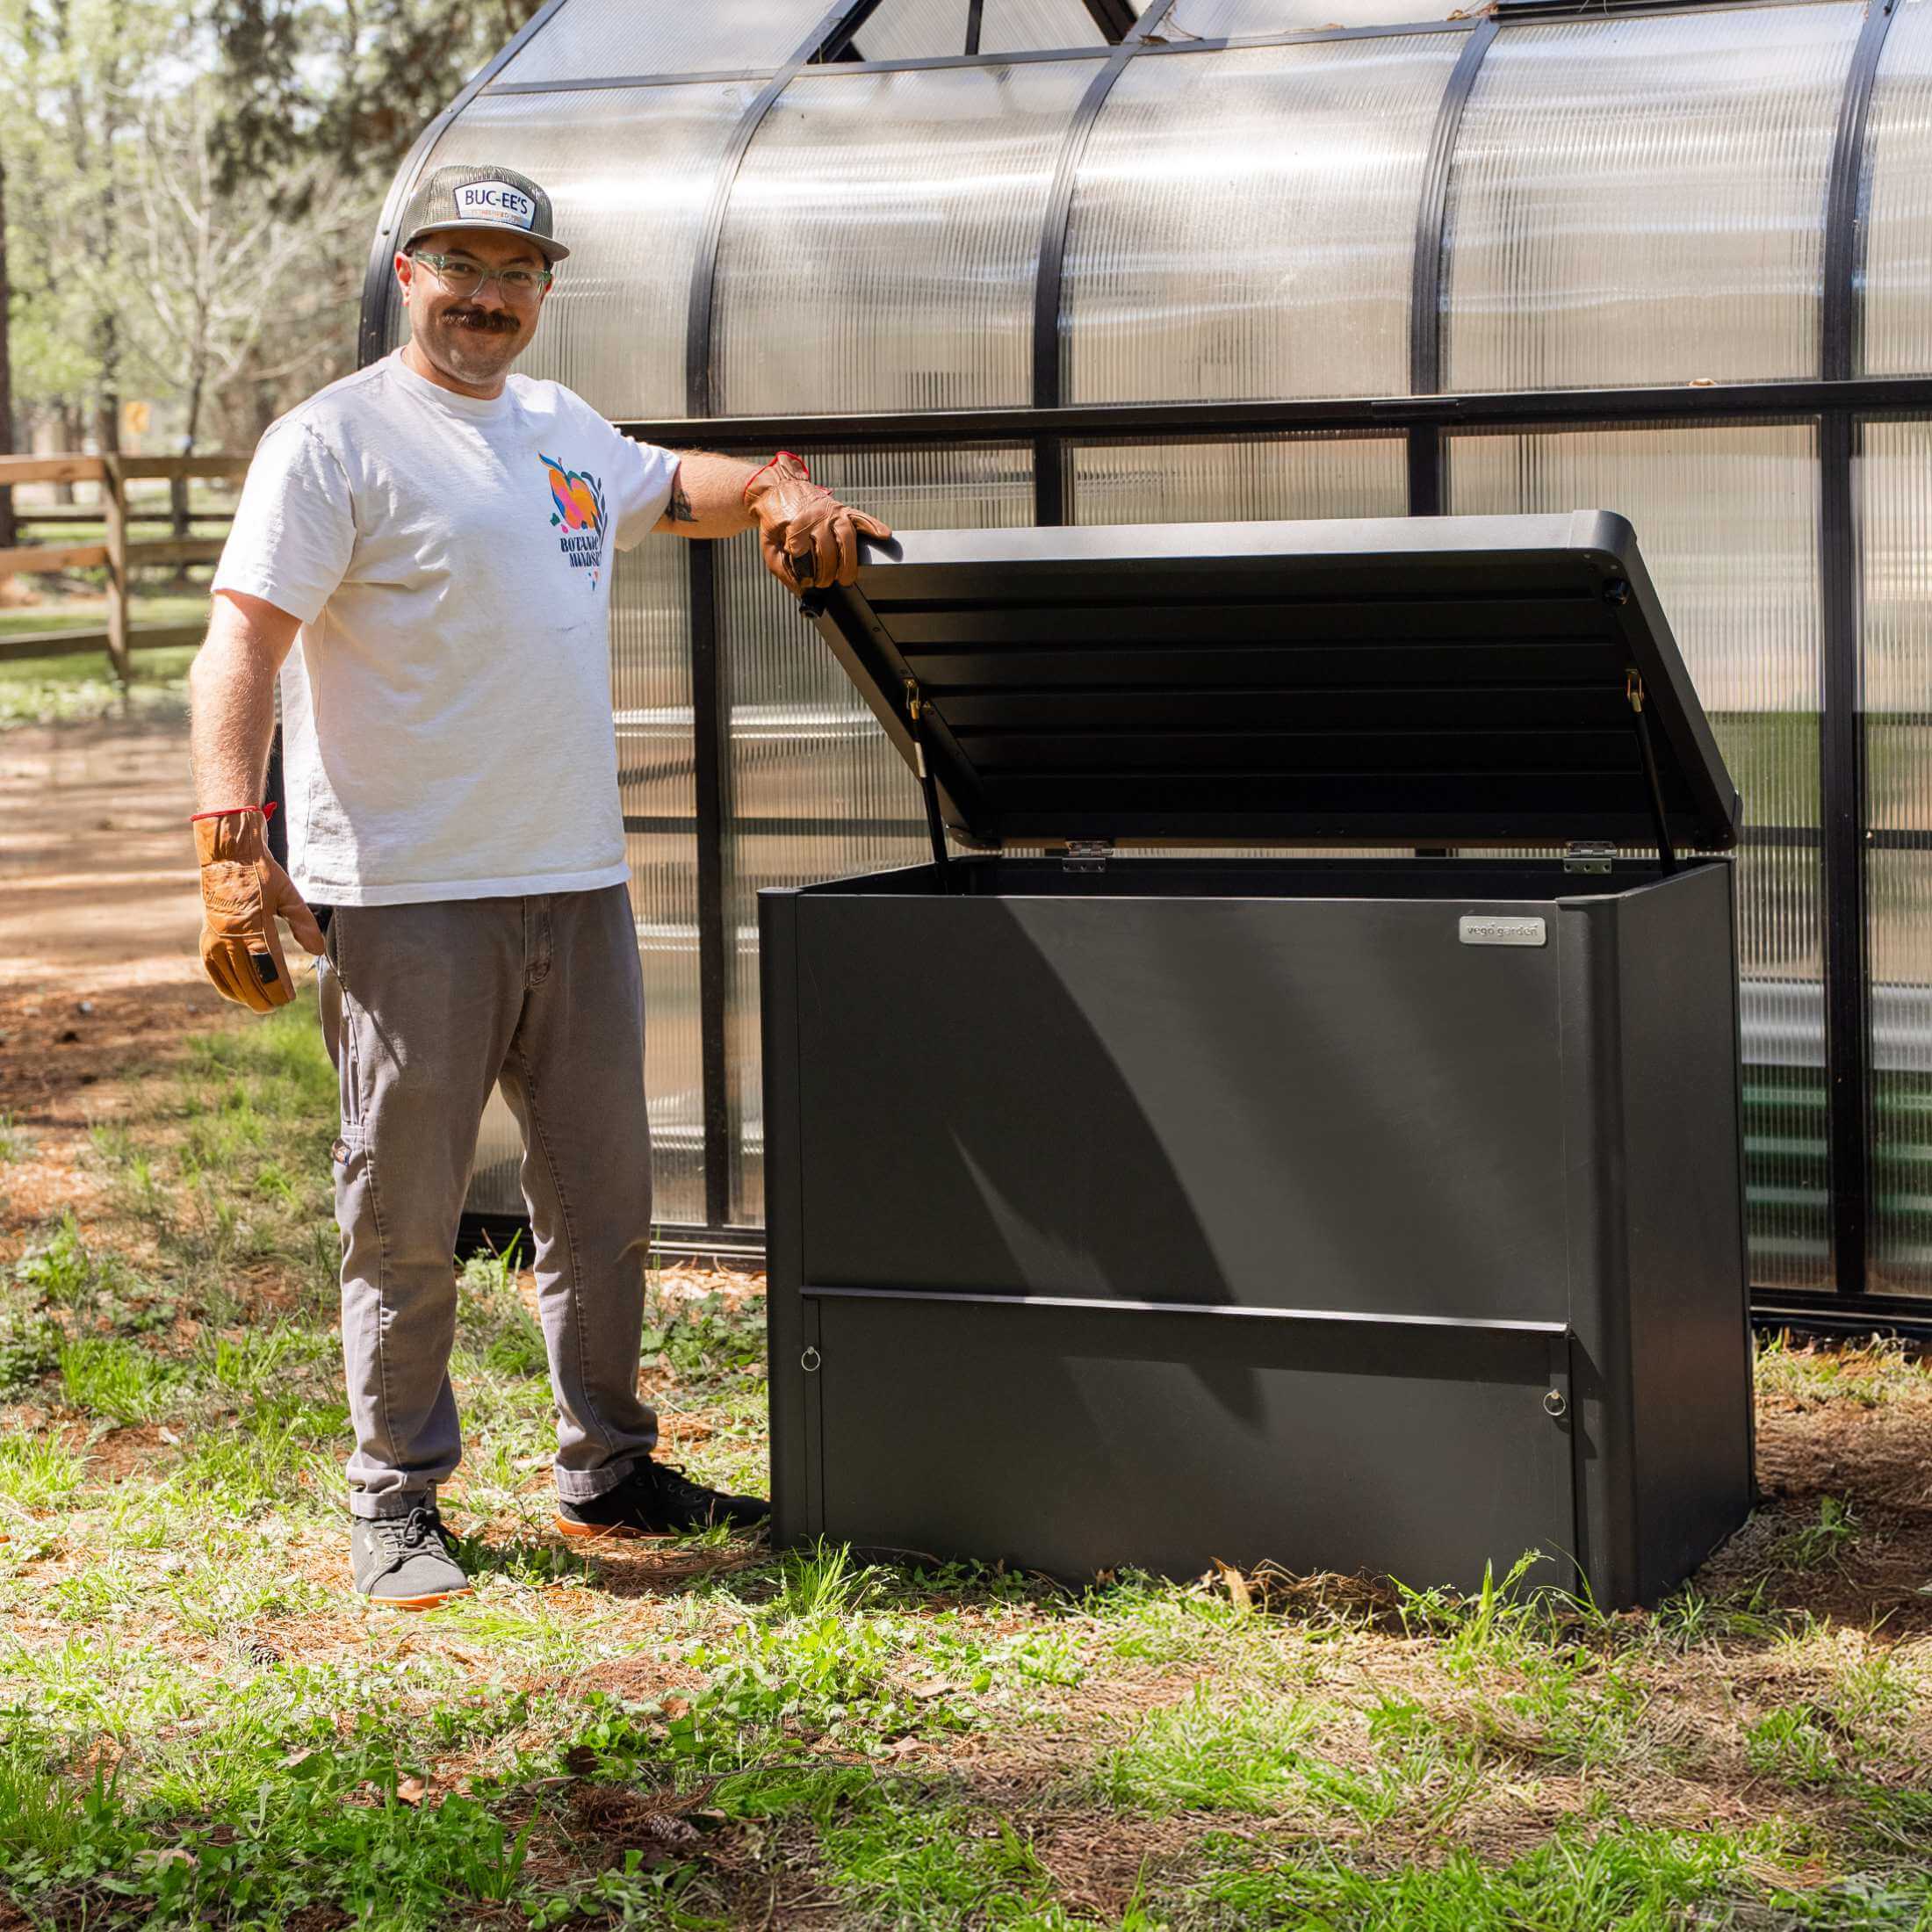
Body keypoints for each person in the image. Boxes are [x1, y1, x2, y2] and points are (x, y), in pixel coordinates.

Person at [189, 162, 892, 1610]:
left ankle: (608, 1465)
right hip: (408, 891)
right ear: (409, 273)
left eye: (515, 270)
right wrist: (228, 844)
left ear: (545, 287)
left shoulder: (559, 430)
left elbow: (673, 489)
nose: (487, 295)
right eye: (459, 263)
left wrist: (776, 482)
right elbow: (241, 646)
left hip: (574, 882)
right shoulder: (333, 444)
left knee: (604, 1199)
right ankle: (395, 1496)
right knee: (405, 1211)